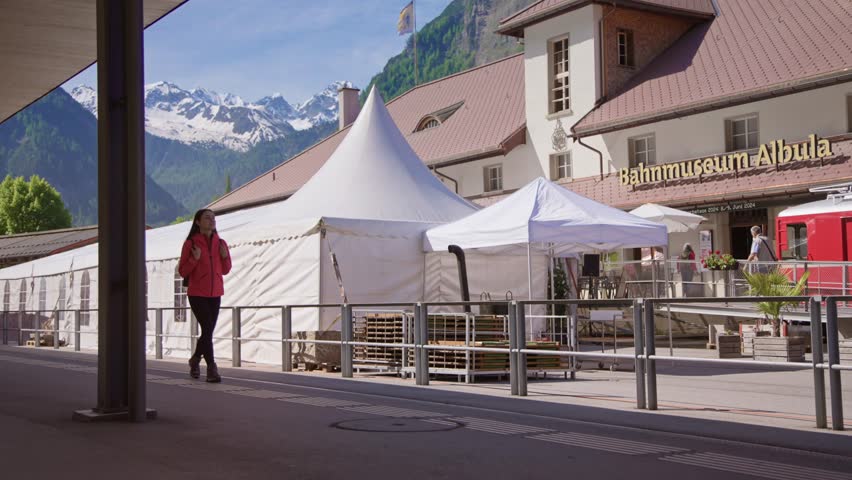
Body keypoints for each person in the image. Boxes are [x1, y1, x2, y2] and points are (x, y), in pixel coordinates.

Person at [179, 209, 232, 383]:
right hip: (196, 293)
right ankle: (211, 368)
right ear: (197, 222)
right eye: (207, 218)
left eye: (213, 218)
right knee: (208, 329)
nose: (211, 221)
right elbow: (182, 271)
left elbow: (226, 269)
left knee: (207, 330)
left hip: (215, 292)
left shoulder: (221, 243)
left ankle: (195, 359)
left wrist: (224, 257)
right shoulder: (191, 244)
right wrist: (195, 259)